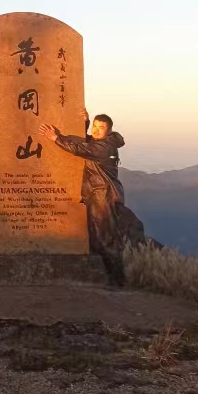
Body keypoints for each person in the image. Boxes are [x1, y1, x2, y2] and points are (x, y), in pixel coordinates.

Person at [38, 108, 126, 286]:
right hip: (99, 192)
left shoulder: (104, 147)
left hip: (104, 194)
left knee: (105, 237)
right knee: (98, 235)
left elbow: (80, 148)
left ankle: (117, 280)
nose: (96, 130)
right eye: (94, 125)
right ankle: (110, 277)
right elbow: (88, 140)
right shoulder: (105, 142)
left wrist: (56, 138)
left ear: (108, 131)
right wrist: (84, 123)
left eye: (100, 127)